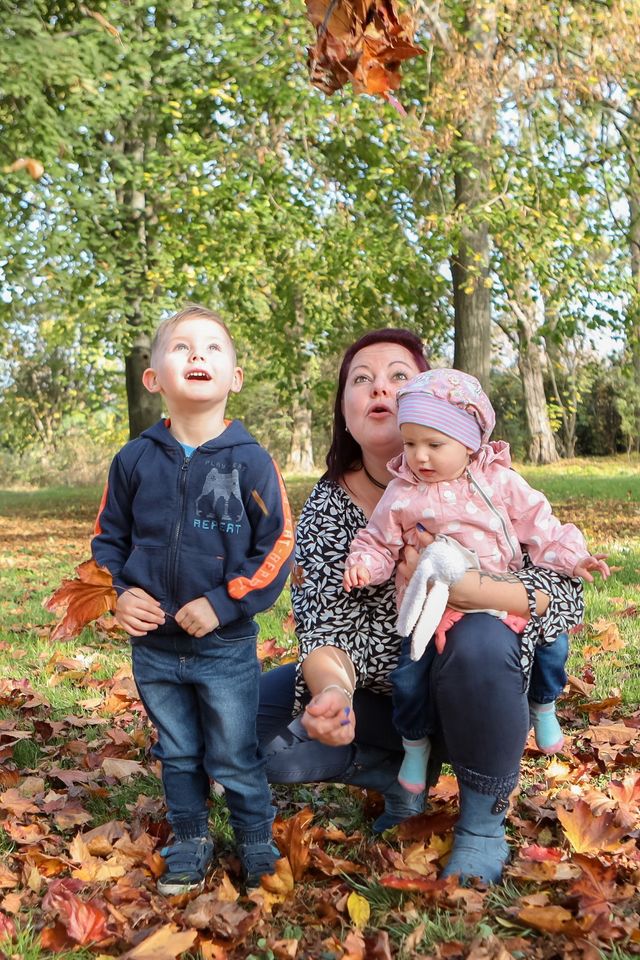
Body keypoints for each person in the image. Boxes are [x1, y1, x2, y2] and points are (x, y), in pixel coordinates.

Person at [258, 327, 577, 884]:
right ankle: (400, 773)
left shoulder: (490, 486)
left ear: (431, 398)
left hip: (479, 688)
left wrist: (476, 591)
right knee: (243, 724)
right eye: (361, 379)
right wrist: (332, 691)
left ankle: (481, 821)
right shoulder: (327, 509)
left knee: (478, 641)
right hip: (385, 700)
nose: (379, 387)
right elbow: (320, 628)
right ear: (344, 407)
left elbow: (566, 589)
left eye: (397, 376)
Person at [92, 305, 294, 894]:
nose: (198, 356)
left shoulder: (250, 461)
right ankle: (190, 838)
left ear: (235, 378)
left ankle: (257, 842)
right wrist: (120, 595)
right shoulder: (133, 460)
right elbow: (109, 540)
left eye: (213, 348)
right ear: (153, 378)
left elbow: (276, 544)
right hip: (154, 648)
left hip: (224, 645)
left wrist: (227, 602)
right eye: (182, 348)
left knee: (233, 753)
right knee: (177, 751)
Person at [343, 368, 609, 794]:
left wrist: (573, 557)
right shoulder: (403, 492)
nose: (420, 457)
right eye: (410, 444)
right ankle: (415, 744)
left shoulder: (498, 481)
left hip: (498, 596)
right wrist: (364, 565)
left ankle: (543, 704)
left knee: (553, 645)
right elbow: (378, 541)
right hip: (431, 611)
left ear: (469, 442)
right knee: (408, 679)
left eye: (434, 444)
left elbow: (539, 523)